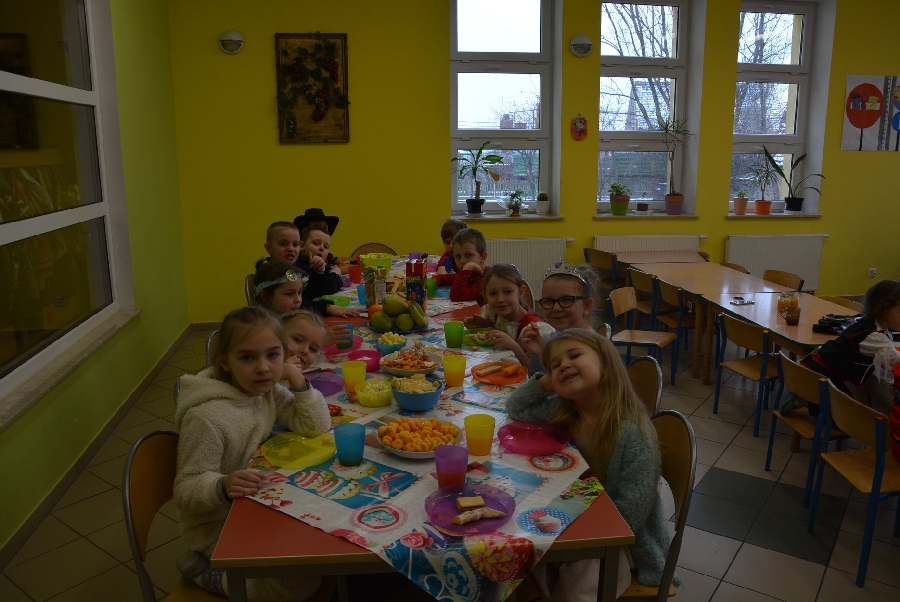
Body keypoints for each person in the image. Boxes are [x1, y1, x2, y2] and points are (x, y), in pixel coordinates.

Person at [173, 306, 331, 600]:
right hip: (217, 525)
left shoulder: (263, 390)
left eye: (273, 355)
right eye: (248, 357)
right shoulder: (206, 418)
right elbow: (185, 489)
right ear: (225, 361)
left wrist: (296, 379)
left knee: (317, 551)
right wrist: (221, 485)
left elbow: (317, 428)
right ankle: (215, 577)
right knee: (299, 581)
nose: (263, 368)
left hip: (256, 502)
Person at [506, 329, 676, 600]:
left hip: (618, 539)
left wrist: (573, 534)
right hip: (574, 510)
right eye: (555, 365)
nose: (564, 365)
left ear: (606, 365)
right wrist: (544, 384)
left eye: (574, 356)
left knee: (576, 586)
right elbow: (517, 408)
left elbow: (630, 513)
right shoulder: (566, 410)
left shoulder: (633, 433)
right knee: (516, 551)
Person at [796, 279, 900, 415]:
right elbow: (895, 358)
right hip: (823, 380)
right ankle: (804, 400)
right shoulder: (873, 336)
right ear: (882, 310)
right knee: (859, 410)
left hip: (817, 369)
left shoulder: (866, 322)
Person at [463, 263, 554, 369]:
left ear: (521, 292)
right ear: (485, 296)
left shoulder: (535, 330)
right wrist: (483, 319)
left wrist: (514, 346)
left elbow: (540, 371)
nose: (500, 299)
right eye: (493, 293)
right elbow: (486, 308)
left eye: (507, 292)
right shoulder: (497, 312)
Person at [519, 262, 602, 361]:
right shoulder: (558, 337)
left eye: (566, 300)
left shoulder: (590, 350)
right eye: (549, 301)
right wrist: (537, 354)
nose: (556, 308)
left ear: (587, 306)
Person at [254, 259, 357, 319]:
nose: (298, 299)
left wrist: (326, 308)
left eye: (299, 292)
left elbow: (305, 305)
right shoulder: (263, 328)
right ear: (266, 296)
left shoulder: (286, 312)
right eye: (290, 294)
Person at [433, 227, 490, 304]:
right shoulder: (468, 274)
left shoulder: (487, 280)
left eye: (468, 255)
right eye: (458, 256)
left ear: (482, 257)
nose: (462, 261)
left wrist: (467, 268)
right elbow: (441, 278)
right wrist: (432, 283)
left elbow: (457, 295)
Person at [294, 227, 344, 303]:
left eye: (326, 246)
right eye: (316, 243)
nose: (321, 248)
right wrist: (335, 273)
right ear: (302, 246)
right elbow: (326, 287)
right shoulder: (302, 264)